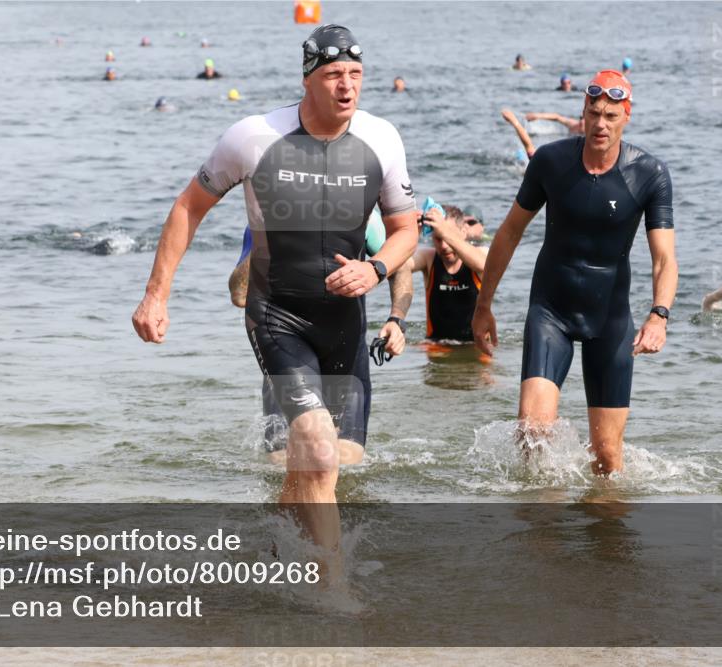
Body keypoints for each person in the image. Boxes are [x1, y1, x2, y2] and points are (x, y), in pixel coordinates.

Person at [132, 24, 417, 576]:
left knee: (332, 463)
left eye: (355, 75)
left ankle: (276, 547)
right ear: (308, 78)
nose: (347, 87)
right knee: (315, 443)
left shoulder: (383, 139)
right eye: (334, 75)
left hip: (345, 325)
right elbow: (189, 207)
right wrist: (155, 296)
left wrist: (375, 269)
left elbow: (406, 229)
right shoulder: (254, 136)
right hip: (277, 314)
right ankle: (331, 587)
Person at [472, 69, 678, 476]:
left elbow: (664, 259)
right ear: (583, 111)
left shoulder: (649, 174)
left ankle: (602, 536)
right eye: (594, 113)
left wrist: (659, 315)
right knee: (532, 433)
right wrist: (484, 305)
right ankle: (543, 529)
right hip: (551, 312)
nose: (600, 124)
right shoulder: (551, 161)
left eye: (611, 116)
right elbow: (510, 232)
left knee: (607, 457)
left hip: (610, 321)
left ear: (627, 116)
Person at [229, 214, 411, 462]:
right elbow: (240, 295)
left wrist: (396, 319)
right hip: (285, 349)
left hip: (345, 351)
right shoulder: (266, 218)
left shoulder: (364, 216)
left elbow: (400, 266)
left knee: (345, 462)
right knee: (281, 463)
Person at [394, 206, 487, 343]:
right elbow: (399, 264)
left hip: (476, 345)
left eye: (447, 237)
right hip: (437, 345)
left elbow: (484, 265)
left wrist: (444, 232)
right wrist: (411, 233)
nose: (444, 246)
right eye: (438, 239)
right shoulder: (429, 259)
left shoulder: (481, 253)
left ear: (463, 232)